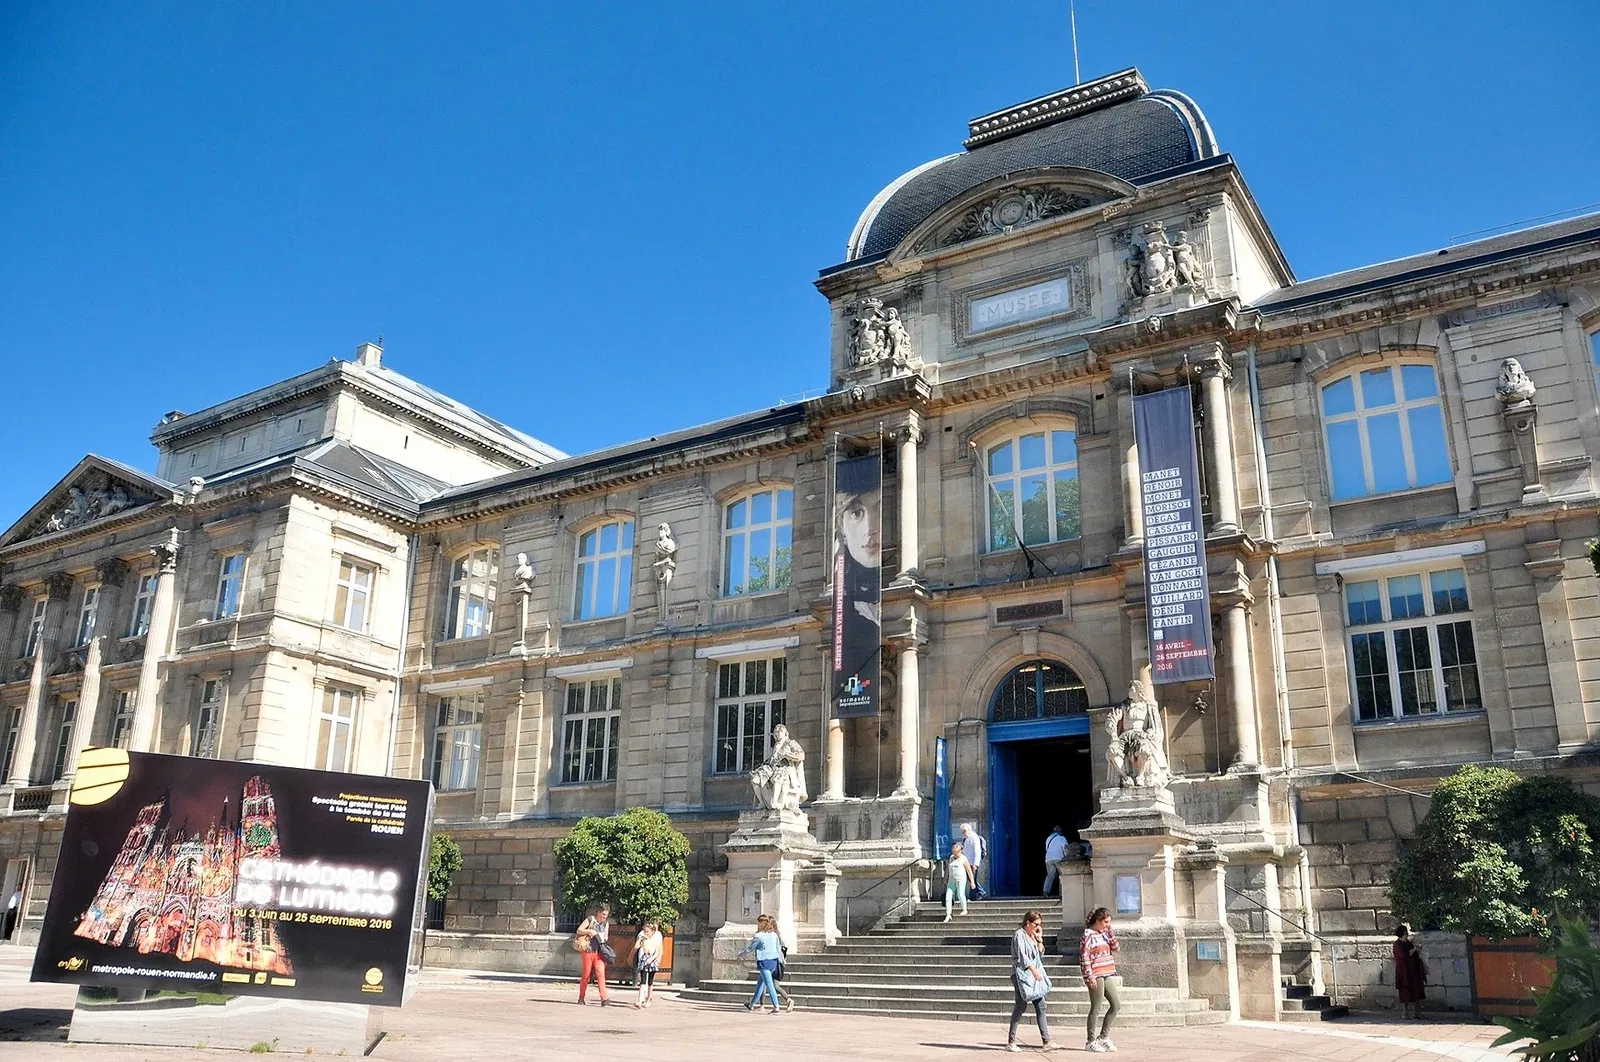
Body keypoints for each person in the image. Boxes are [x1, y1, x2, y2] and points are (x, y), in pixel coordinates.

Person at [1006, 910, 1053, 1052]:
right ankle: (1011, 1041)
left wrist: (1039, 939)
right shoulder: (1019, 935)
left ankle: (1046, 1041)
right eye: (1036, 924)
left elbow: (1040, 954)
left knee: (1041, 1006)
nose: (1038, 927)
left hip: (1033, 976)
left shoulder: (1032, 935)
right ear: (1028, 922)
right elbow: (1021, 957)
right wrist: (1033, 970)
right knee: (1020, 1006)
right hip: (1022, 976)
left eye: (1040, 924)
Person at [1081, 907, 1121, 1052]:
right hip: (1095, 974)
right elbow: (1084, 956)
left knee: (1116, 1004)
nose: (1107, 925)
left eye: (1109, 922)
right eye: (1105, 922)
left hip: (1107, 971)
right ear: (1097, 921)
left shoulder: (1105, 933)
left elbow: (1116, 948)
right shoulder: (1088, 935)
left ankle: (1103, 1036)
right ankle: (1090, 1041)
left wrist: (1110, 932)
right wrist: (1089, 975)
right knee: (1096, 1007)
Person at [740, 913, 784, 1014]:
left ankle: (776, 1006)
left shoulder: (758, 936)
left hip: (764, 962)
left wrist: (742, 954)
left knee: (769, 985)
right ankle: (751, 1005)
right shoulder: (774, 935)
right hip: (773, 961)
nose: (758, 925)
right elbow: (778, 948)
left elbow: (750, 948)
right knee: (760, 984)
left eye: (759, 923)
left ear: (762, 924)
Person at [574, 903, 612, 1005]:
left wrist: (603, 938)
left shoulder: (606, 924)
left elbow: (606, 937)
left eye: (606, 915)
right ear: (598, 912)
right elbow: (579, 930)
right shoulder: (590, 920)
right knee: (586, 975)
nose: (604, 917)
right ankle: (581, 998)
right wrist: (589, 931)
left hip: (599, 952)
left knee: (601, 974)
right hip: (588, 951)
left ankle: (604, 998)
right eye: (603, 914)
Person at [1394, 923, 1428, 1019]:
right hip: (1403, 972)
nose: (1407, 935)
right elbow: (1402, 956)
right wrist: (1414, 949)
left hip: (1413, 971)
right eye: (1405, 933)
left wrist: (1418, 950)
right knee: (1404, 992)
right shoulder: (1397, 945)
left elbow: (1414, 954)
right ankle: (1405, 1013)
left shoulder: (1408, 943)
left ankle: (1417, 1012)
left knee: (1417, 991)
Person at [633, 920, 663, 1009]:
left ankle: (648, 999)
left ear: (652, 932)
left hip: (651, 961)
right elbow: (636, 947)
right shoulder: (643, 937)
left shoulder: (656, 939)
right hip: (644, 960)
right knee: (642, 980)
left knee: (650, 981)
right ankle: (639, 1000)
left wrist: (652, 959)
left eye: (648, 932)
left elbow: (657, 951)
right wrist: (640, 939)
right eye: (645, 931)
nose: (646, 933)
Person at [944, 841, 974, 922]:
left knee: (960, 894)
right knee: (948, 896)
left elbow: (969, 870)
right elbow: (948, 868)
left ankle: (964, 909)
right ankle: (948, 914)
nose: (954, 854)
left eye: (956, 852)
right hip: (952, 879)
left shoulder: (963, 858)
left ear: (960, 851)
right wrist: (945, 878)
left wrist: (972, 882)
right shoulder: (951, 858)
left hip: (961, 879)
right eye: (953, 851)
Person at [961, 822, 987, 900]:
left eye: (964, 831)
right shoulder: (966, 838)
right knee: (971, 879)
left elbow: (977, 851)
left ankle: (980, 893)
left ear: (969, 830)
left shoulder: (974, 837)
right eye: (962, 831)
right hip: (968, 862)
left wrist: (975, 864)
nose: (963, 833)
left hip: (972, 863)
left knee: (973, 879)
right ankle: (977, 894)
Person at [1042, 826, 1069, 897]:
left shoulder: (1048, 838)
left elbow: (1046, 849)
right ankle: (1061, 893)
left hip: (1048, 859)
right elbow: (1065, 848)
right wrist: (1067, 857)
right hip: (1059, 858)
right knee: (1062, 875)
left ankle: (1045, 891)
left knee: (1050, 876)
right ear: (1060, 832)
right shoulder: (1062, 838)